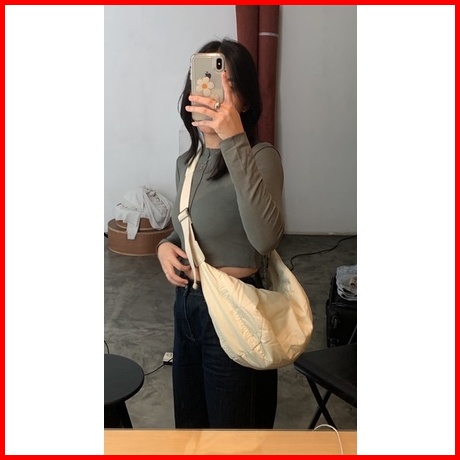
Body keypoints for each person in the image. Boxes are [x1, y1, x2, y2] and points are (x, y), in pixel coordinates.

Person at [157, 38, 284, 429]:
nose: (212, 93)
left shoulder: (261, 157)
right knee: (191, 430)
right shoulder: (187, 163)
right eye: (206, 81)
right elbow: (187, 229)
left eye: (226, 84)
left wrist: (234, 141)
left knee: (235, 436)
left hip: (236, 308)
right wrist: (164, 246)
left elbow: (265, 238)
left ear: (243, 100)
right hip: (188, 306)